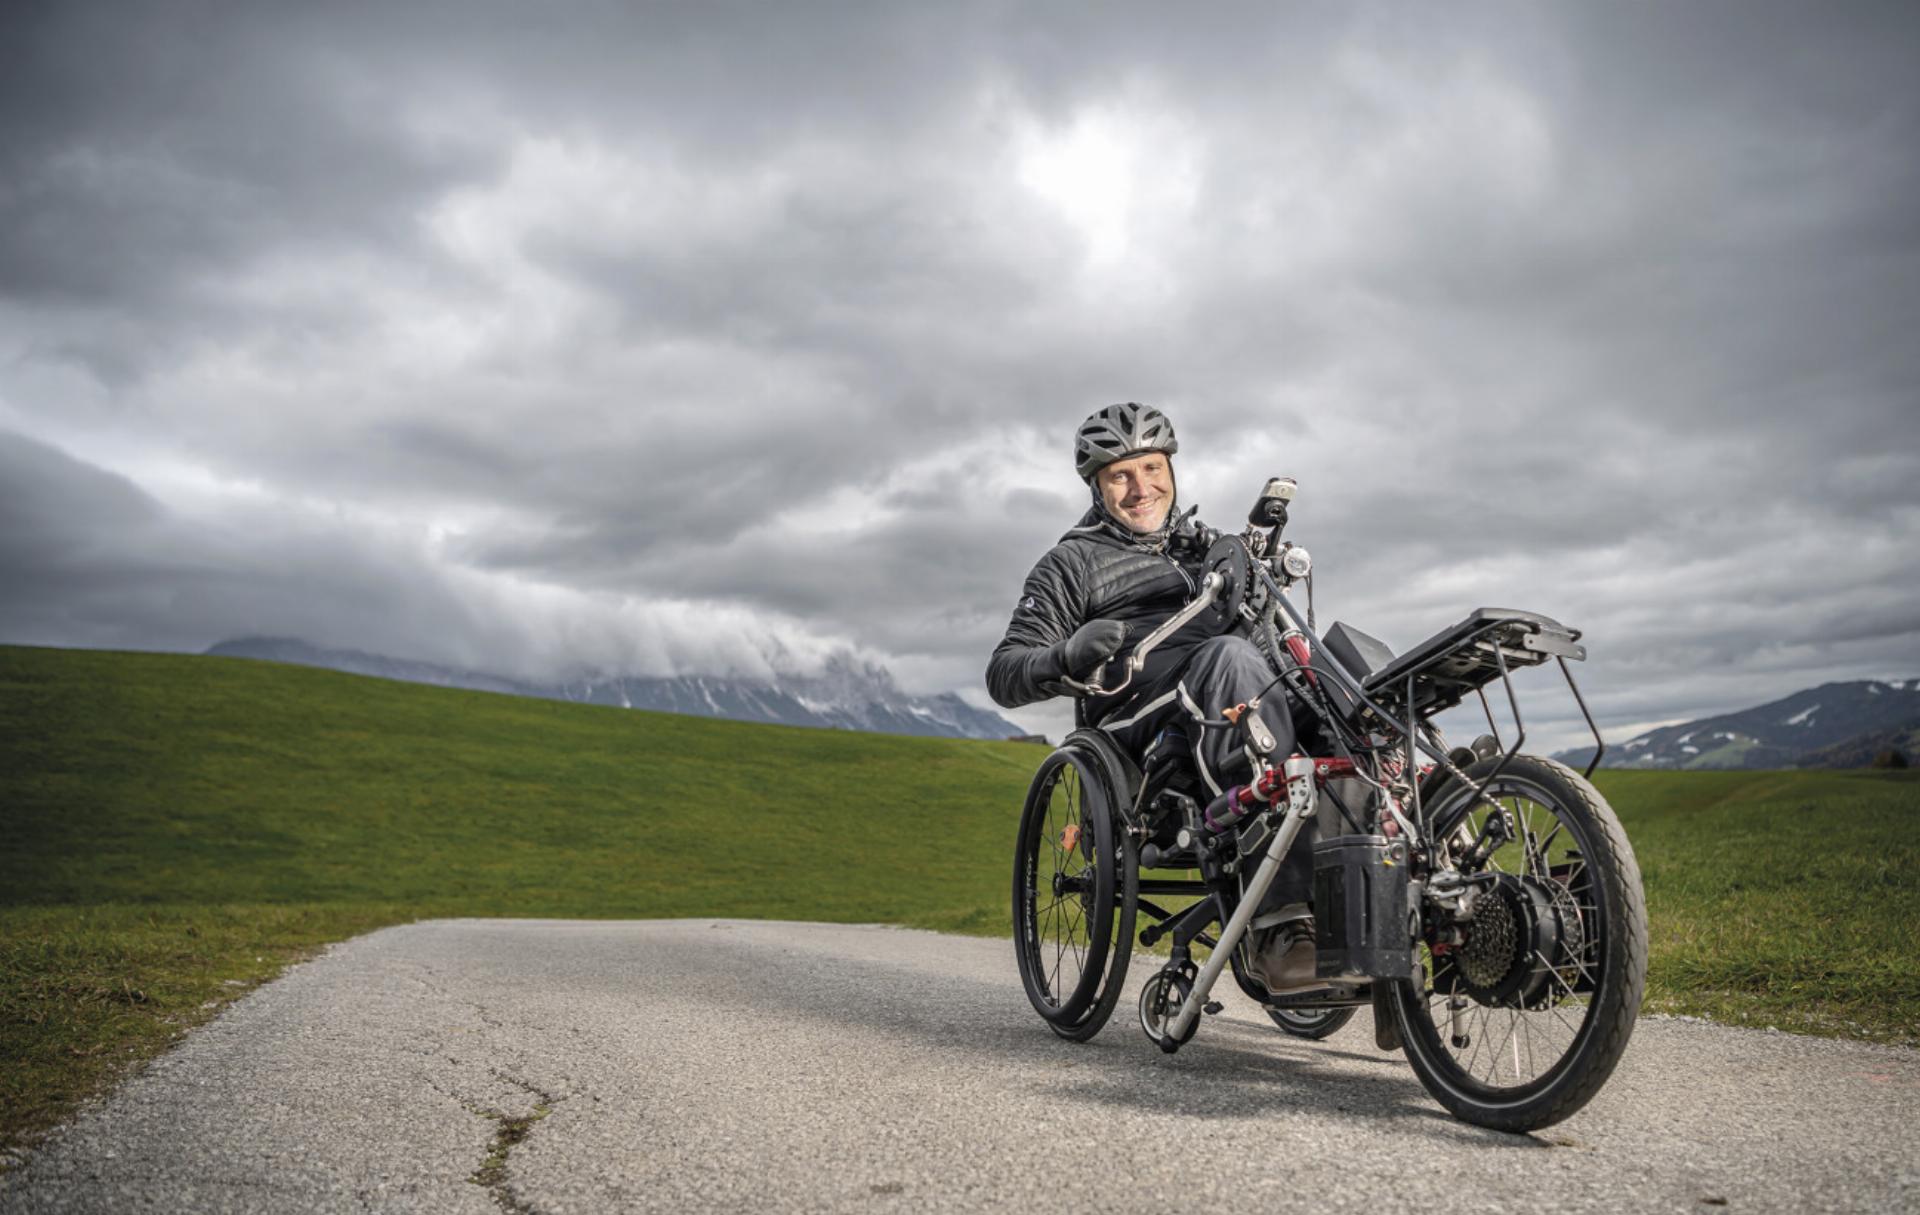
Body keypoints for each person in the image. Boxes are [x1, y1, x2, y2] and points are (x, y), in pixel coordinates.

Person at [985, 402, 1318, 991]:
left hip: (1240, 700)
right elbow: (1005, 672)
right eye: (1121, 475)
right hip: (1140, 732)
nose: (1141, 488)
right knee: (1228, 658)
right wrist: (1066, 656)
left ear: (1171, 469)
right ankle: (1279, 926)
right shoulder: (1071, 564)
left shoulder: (1213, 548)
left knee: (1333, 673)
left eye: (1151, 469)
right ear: (1097, 486)